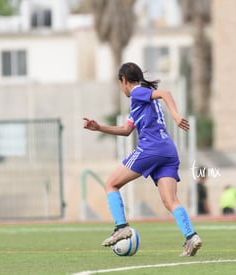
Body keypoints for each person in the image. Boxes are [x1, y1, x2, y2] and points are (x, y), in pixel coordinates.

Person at [83, 62, 202, 257]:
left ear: (124, 81)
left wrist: (176, 115)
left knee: (111, 184)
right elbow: (126, 130)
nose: (121, 89)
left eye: (120, 84)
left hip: (150, 148)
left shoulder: (138, 92)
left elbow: (166, 93)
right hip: (168, 151)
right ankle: (191, 237)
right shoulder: (141, 102)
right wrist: (99, 127)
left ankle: (121, 226)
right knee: (170, 200)